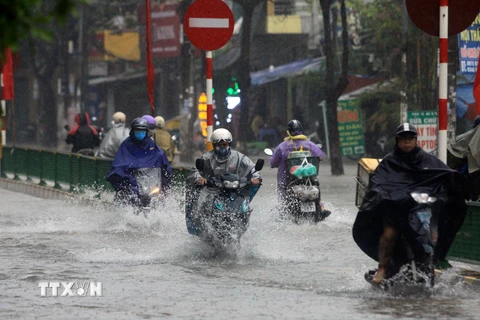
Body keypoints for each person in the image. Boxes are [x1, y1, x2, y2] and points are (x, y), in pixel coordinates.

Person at [353, 123, 467, 285]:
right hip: (395, 213)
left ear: (415, 140)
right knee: (388, 236)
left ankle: (432, 266)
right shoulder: (389, 162)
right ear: (397, 141)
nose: (407, 143)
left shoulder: (427, 160)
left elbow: (444, 175)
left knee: (428, 237)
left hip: (419, 210)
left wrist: (454, 184)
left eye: (410, 139)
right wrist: (384, 194)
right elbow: (378, 183)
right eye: (403, 139)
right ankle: (382, 268)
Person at [186, 128, 262, 233]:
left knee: (246, 206)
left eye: (224, 145)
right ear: (213, 145)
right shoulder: (206, 158)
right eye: (219, 145)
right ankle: (201, 227)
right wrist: (200, 178)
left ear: (229, 144)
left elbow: (252, 168)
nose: (222, 148)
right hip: (213, 191)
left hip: (235, 190)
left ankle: (243, 224)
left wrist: (255, 177)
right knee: (203, 204)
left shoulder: (240, 157)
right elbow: (195, 171)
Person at [106, 117, 172, 206]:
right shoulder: (127, 144)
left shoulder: (151, 144)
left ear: (147, 131)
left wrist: (166, 181)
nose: (140, 133)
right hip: (131, 183)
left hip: (149, 183)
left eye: (143, 130)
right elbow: (119, 164)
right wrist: (124, 177)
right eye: (138, 130)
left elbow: (161, 159)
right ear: (133, 130)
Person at [270, 120, 326, 208]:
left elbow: (273, 162)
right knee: (316, 187)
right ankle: (321, 207)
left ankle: (284, 209)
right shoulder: (311, 145)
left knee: (283, 197)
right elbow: (320, 156)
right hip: (309, 177)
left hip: (286, 179)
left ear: (288, 131)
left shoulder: (282, 146)